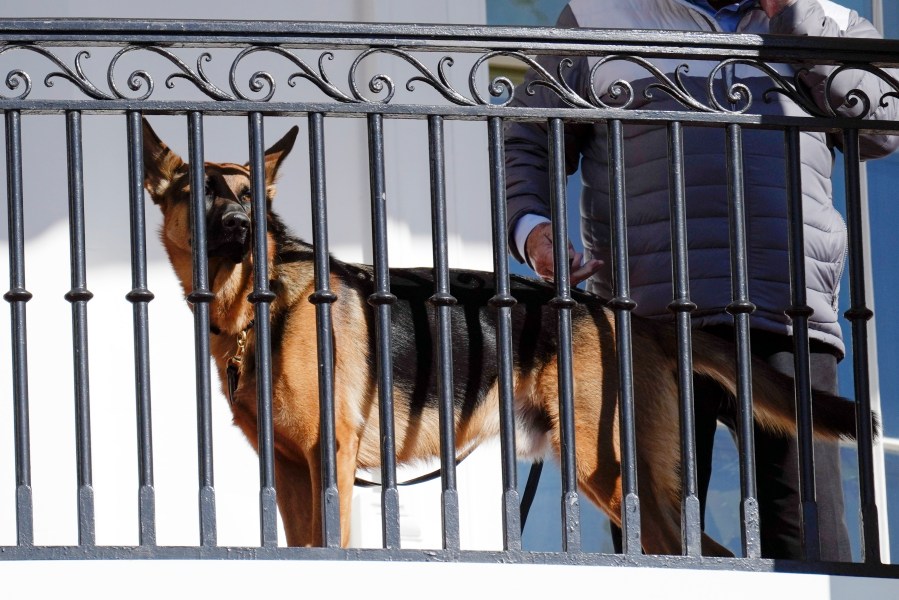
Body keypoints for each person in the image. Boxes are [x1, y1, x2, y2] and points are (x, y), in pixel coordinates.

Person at [505, 0, 899, 560]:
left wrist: (794, 14)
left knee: (809, 540)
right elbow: (529, 135)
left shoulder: (826, 16)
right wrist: (535, 230)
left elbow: (880, 129)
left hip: (787, 311)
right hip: (647, 321)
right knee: (659, 538)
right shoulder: (599, 13)